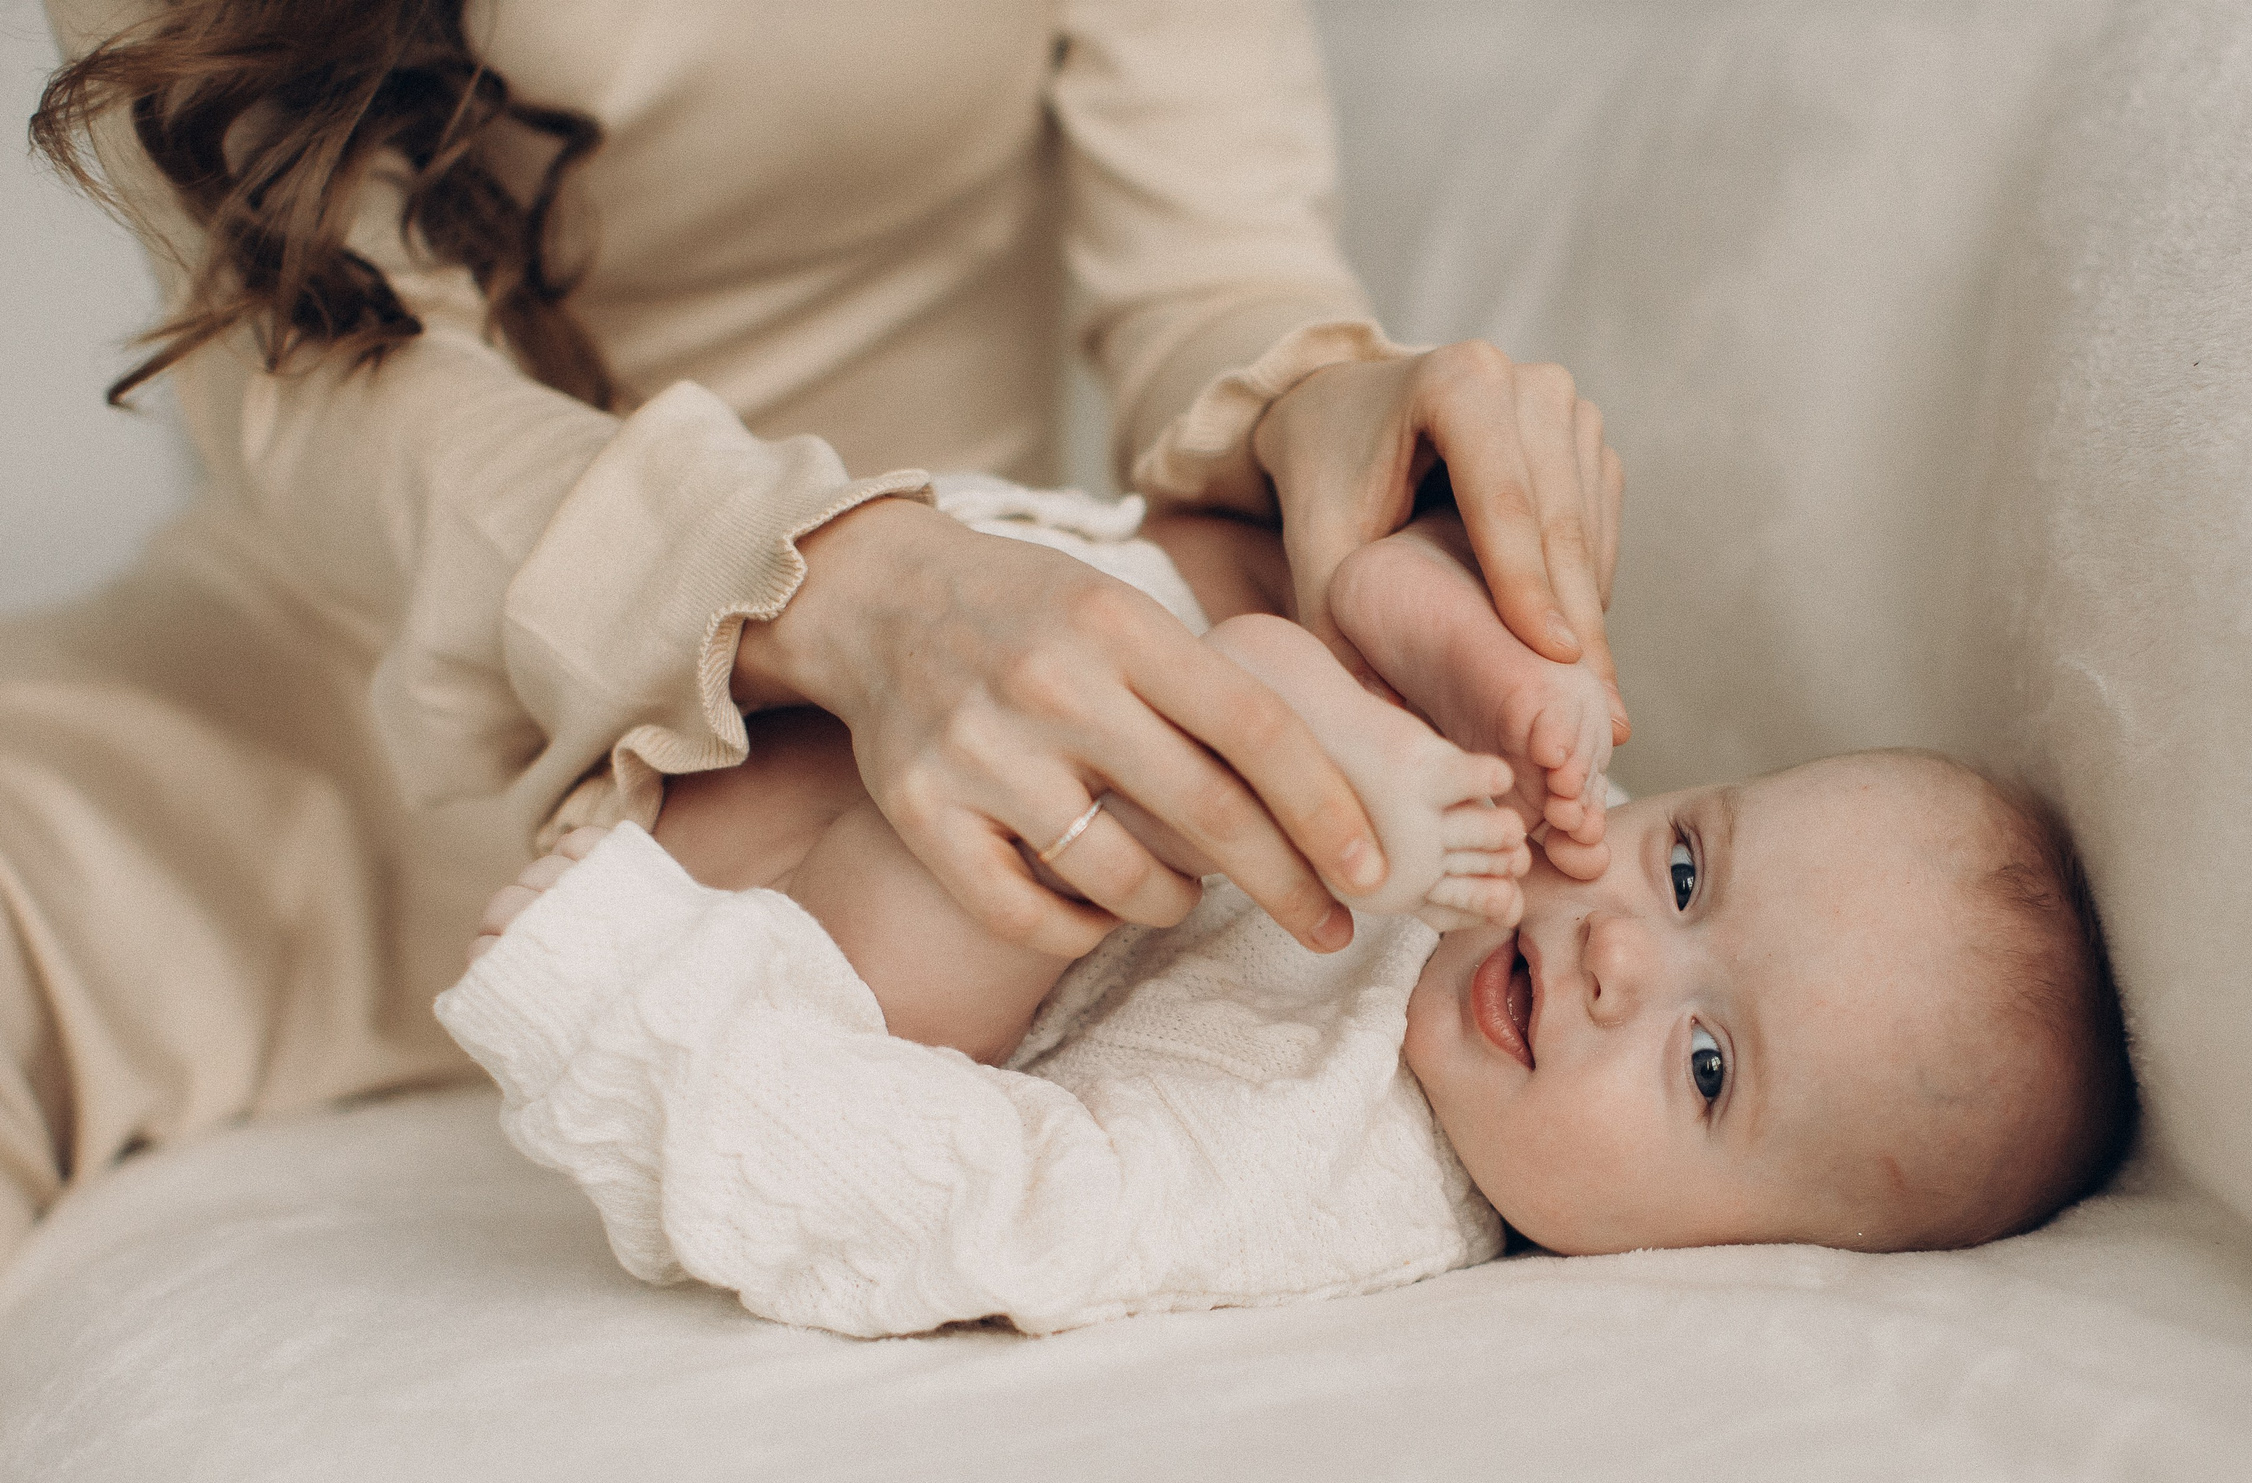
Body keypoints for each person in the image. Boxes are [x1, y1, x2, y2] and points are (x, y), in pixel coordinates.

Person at [2, 0, 1625, 1261]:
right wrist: (841, 585)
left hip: (979, 751)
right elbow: (327, 371)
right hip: (341, 700)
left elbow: (1212, 254)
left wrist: (1329, 419)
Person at [440, 483, 2138, 1338]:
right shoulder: (1502, 859)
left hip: (771, 943)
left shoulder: (1335, 1193)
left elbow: (1010, 1209)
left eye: (1708, 1070)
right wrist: (1399, 739)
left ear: (1729, 1263)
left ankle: (663, 937)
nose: (1623, 946)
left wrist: (637, 1007)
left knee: (1075, 865)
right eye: (1688, 866)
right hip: (827, 667)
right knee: (1211, 621)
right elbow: (1243, 654)